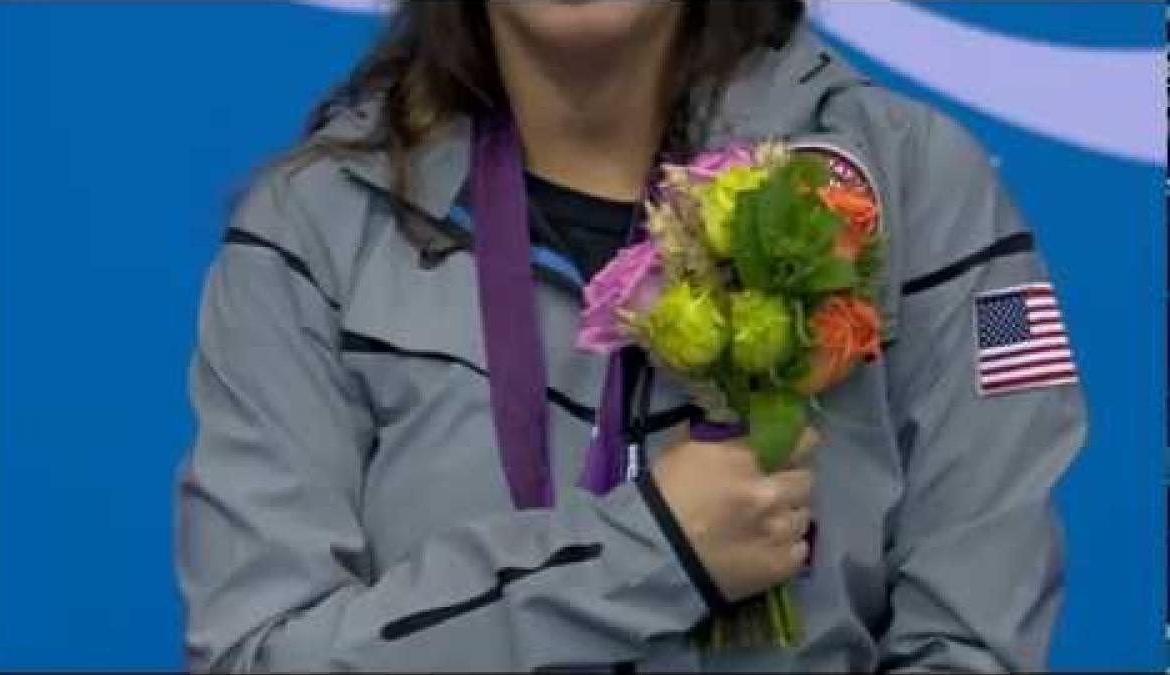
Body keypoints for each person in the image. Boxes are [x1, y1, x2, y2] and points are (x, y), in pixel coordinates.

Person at [175, 1, 1086, 672]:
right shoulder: (307, 238)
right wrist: (655, 549)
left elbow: (976, 642)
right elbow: (256, 656)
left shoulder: (920, 193)